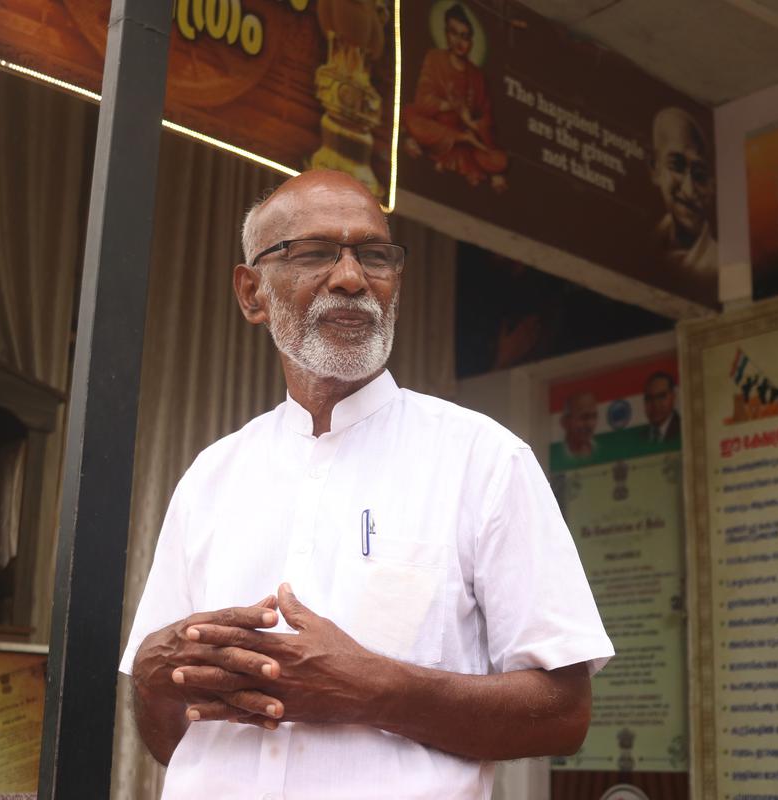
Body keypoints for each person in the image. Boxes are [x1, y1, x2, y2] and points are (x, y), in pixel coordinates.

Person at [120, 170, 612, 798]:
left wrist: (371, 690)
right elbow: (173, 737)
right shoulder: (210, 478)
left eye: (373, 254)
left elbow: (566, 714)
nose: (352, 278)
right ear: (252, 294)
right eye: (315, 252)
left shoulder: (483, 460)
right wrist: (152, 679)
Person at [402, 3, 508, 191]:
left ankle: (460, 142)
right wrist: (452, 106)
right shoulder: (435, 58)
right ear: (446, 34)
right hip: (439, 128)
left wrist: (476, 125)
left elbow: (485, 115)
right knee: (410, 116)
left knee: (499, 158)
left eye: (465, 37)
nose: (459, 42)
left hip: (467, 135)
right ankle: (458, 139)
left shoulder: (477, 76)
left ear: (471, 42)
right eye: (454, 33)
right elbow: (423, 99)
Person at [651, 107, 717, 273]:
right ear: (654, 168)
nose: (688, 190)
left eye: (700, 176)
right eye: (677, 166)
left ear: (712, 187)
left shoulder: (717, 266)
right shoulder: (647, 244)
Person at [640, 371, 680, 445]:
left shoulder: (683, 428)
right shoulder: (640, 436)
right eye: (649, 398)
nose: (655, 405)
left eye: (661, 396)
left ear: (673, 397)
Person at [559, 390, 599, 460]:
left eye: (594, 416)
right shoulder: (558, 454)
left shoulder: (598, 448)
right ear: (566, 422)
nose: (590, 424)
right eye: (584, 417)